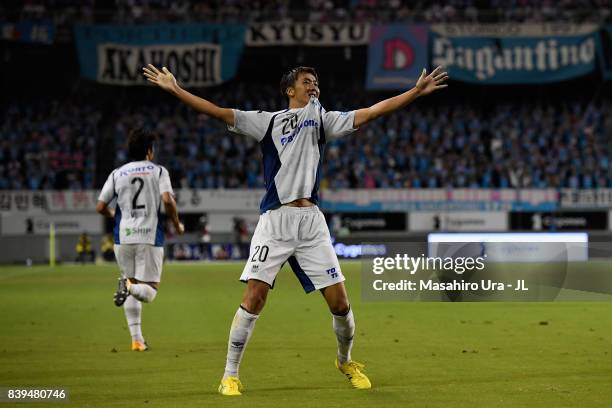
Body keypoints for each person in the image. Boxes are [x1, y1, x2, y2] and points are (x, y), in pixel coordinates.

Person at [143, 63, 447, 394]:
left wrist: (415, 92)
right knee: (254, 296)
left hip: (312, 223)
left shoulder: (323, 120)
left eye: (316, 82)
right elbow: (218, 113)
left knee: (340, 304)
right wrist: (176, 89)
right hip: (275, 221)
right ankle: (230, 374)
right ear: (291, 90)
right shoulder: (268, 121)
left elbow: (372, 112)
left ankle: (345, 360)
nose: (314, 86)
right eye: (307, 82)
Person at [96, 128, 184, 352]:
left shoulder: (117, 173)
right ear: (149, 151)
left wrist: (116, 215)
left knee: (133, 281)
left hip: (122, 237)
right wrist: (176, 223)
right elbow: (168, 200)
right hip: (149, 235)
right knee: (149, 291)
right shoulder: (158, 171)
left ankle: (137, 340)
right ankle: (127, 286)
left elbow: (100, 206)